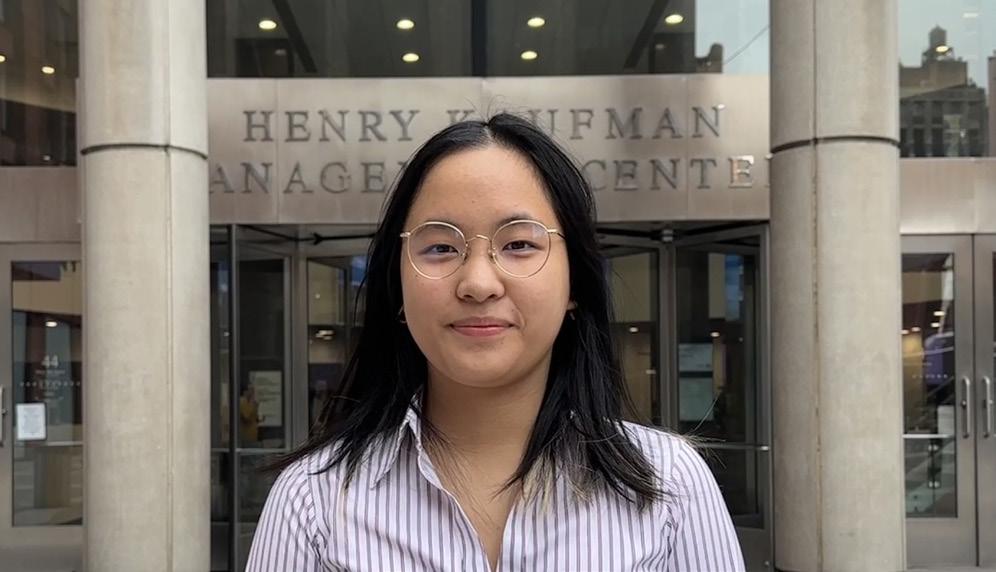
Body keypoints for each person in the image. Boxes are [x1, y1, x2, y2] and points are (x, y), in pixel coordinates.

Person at [246, 113, 745, 571]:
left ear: (575, 282)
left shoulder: (669, 486)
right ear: (398, 287)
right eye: (441, 247)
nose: (479, 283)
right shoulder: (313, 501)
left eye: (520, 244)